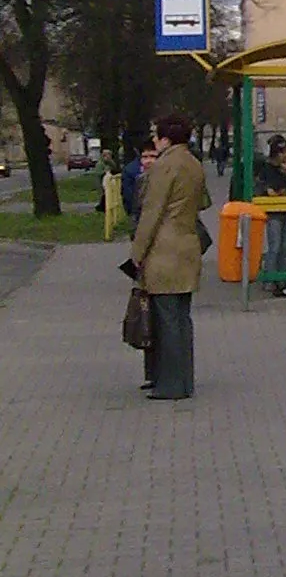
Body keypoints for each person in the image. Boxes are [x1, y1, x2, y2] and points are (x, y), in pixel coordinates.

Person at [128, 111, 211, 401]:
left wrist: (137, 253)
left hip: (164, 249)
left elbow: (152, 212)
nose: (154, 141)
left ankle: (170, 384)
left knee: (166, 320)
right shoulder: (194, 163)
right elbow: (205, 201)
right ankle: (184, 381)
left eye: (156, 136)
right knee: (182, 318)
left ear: (164, 138)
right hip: (188, 245)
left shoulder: (164, 166)